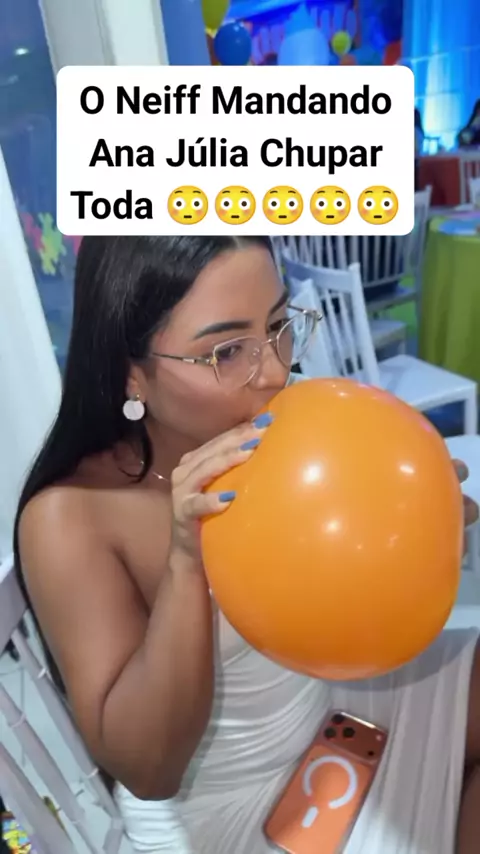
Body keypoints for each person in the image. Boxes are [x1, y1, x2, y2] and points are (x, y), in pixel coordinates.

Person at [14, 235, 480, 854]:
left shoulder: (275, 436)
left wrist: (416, 530)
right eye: (227, 350)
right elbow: (150, 772)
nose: (277, 372)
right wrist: (187, 559)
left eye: (279, 325)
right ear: (132, 374)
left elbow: (329, 598)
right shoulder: (70, 516)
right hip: (226, 812)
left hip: (332, 705)